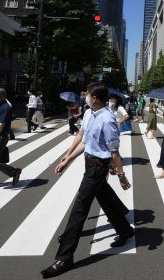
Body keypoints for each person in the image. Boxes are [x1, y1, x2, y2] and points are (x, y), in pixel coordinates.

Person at [41, 82, 133, 278]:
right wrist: (67, 157)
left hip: (98, 166)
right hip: (88, 162)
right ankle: (125, 230)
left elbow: (114, 151)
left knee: (80, 208)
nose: (85, 97)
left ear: (95, 98)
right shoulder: (90, 113)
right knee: (105, 198)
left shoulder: (107, 120)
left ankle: (65, 257)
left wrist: (122, 176)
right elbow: (84, 139)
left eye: (87, 95)